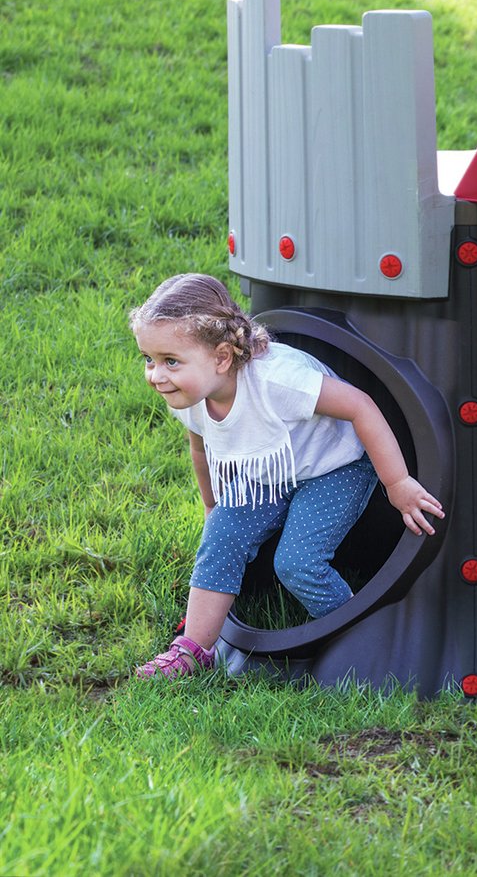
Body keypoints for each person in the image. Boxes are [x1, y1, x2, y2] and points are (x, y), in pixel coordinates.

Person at [129, 273, 445, 679]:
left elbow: (362, 406)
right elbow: (200, 447)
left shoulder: (278, 381)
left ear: (222, 357)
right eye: (149, 360)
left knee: (297, 562)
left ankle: (359, 638)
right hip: (267, 470)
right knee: (220, 539)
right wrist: (212, 506)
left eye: (170, 361)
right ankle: (194, 649)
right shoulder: (188, 394)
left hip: (333, 465)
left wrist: (397, 483)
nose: (156, 375)